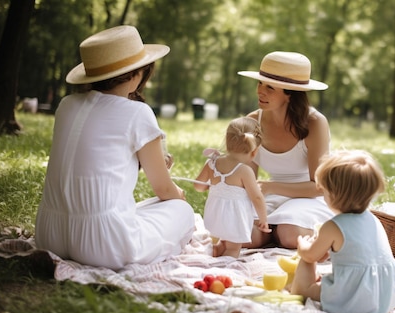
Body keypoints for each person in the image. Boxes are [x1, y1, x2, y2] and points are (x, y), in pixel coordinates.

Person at [35, 25, 195, 270]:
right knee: (181, 211)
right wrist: (179, 198)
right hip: (105, 245)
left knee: (146, 207)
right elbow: (164, 188)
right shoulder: (138, 112)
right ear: (137, 74)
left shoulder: (66, 105)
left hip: (49, 235)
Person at [290, 150, 395, 313]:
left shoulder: (333, 226)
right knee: (360, 280)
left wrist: (303, 246)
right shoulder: (374, 219)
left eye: (325, 192)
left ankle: (305, 288)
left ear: (335, 195)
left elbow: (311, 255)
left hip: (351, 298)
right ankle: (380, 303)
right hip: (387, 292)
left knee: (305, 267)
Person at [237, 51, 334, 249]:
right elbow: (246, 177)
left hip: (311, 198)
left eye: (270, 88)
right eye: (260, 84)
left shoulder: (315, 123)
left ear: (290, 93)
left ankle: (316, 233)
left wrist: (271, 187)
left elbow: (319, 187)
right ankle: (272, 234)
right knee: (244, 234)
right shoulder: (253, 122)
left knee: (290, 235)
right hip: (271, 197)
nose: (260, 91)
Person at [193, 117, 271, 258]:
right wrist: (263, 220)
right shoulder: (245, 171)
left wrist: (211, 186)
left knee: (223, 243)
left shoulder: (212, 162)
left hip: (215, 217)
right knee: (233, 248)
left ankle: (217, 251)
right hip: (235, 220)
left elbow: (198, 186)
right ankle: (226, 265)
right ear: (255, 151)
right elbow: (257, 197)